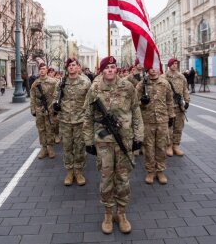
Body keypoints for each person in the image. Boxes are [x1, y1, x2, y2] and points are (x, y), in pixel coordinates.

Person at [83, 56, 144, 234]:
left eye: (113, 67)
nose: (110, 70)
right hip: (104, 142)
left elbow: (136, 111)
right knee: (106, 178)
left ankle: (122, 213)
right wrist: (88, 141)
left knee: (123, 178)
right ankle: (108, 214)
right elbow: (87, 116)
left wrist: (138, 136)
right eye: (107, 67)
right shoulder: (94, 89)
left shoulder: (128, 86)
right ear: (102, 70)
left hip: (124, 139)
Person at [53, 58, 91, 186]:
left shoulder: (85, 82)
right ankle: (70, 172)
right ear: (67, 68)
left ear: (78, 67)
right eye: (69, 65)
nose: (71, 67)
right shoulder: (61, 83)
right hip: (65, 120)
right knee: (67, 147)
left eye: (74, 65)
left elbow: (91, 101)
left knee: (80, 147)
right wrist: (55, 106)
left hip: (80, 120)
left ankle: (79, 171)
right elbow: (55, 98)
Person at [136, 66, 175, 185]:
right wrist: (142, 102)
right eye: (150, 67)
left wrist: (171, 116)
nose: (153, 69)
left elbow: (169, 101)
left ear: (159, 68)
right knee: (149, 148)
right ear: (147, 69)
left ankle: (160, 171)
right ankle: (150, 171)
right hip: (147, 121)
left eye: (155, 67)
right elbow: (133, 102)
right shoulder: (142, 84)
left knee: (162, 147)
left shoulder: (165, 83)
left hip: (162, 120)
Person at [30, 63, 58, 159]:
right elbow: (32, 97)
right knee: (41, 129)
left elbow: (57, 95)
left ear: (47, 70)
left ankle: (50, 148)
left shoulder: (53, 82)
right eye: (40, 69)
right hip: (39, 109)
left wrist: (54, 107)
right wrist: (33, 109)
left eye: (44, 69)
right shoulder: (35, 83)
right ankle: (44, 148)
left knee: (50, 128)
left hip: (49, 109)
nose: (42, 70)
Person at [164, 58, 190, 157]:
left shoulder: (181, 77)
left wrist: (187, 101)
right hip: (168, 107)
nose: (175, 65)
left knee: (178, 127)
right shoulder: (164, 77)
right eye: (173, 64)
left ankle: (176, 145)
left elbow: (185, 90)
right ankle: (169, 146)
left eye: (176, 63)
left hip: (179, 107)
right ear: (169, 65)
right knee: (169, 128)